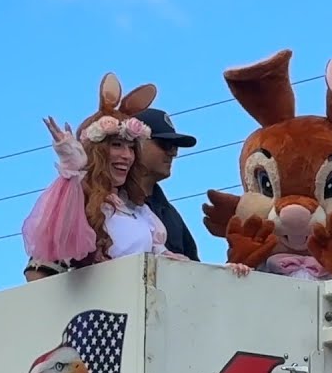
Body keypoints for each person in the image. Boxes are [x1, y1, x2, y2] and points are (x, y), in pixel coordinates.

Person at [21, 73, 190, 281]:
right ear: (96, 152)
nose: (126, 155)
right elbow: (39, 272)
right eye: (116, 145)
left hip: (142, 307)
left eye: (131, 147)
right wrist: (71, 174)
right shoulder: (79, 202)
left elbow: (170, 264)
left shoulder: (138, 209)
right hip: (99, 312)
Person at [133, 108, 201, 261]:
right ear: (136, 144)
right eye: (165, 144)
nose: (173, 153)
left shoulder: (171, 215)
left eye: (175, 146)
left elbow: (194, 270)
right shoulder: (109, 202)